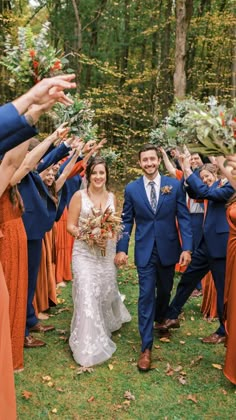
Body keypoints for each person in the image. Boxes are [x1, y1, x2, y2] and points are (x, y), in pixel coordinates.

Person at [115, 144, 192, 372]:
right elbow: (126, 221)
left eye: (152, 159)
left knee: (165, 290)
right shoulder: (131, 189)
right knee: (146, 294)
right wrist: (121, 248)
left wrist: (187, 248)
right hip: (145, 250)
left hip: (169, 248)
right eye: (144, 160)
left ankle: (161, 319)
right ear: (139, 163)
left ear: (158, 160)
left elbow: (184, 217)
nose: (148, 163)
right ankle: (146, 347)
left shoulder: (174, 186)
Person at [67, 156, 131, 367]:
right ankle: (87, 345)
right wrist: (87, 235)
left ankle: (106, 322)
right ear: (88, 175)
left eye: (101, 172)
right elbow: (70, 225)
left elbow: (115, 227)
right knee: (86, 291)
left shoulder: (112, 197)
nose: (98, 176)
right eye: (94, 172)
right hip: (84, 253)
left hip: (105, 253)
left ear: (106, 175)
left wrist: (109, 237)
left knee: (104, 291)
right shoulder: (79, 196)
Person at [162, 162, 234, 344]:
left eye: (207, 177)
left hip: (221, 248)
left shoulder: (229, 187)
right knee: (187, 279)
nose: (205, 180)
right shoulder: (209, 188)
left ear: (217, 173)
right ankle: (171, 316)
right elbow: (195, 192)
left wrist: (187, 170)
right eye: (202, 178)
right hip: (204, 246)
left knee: (222, 291)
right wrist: (187, 174)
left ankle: (223, 331)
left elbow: (205, 193)